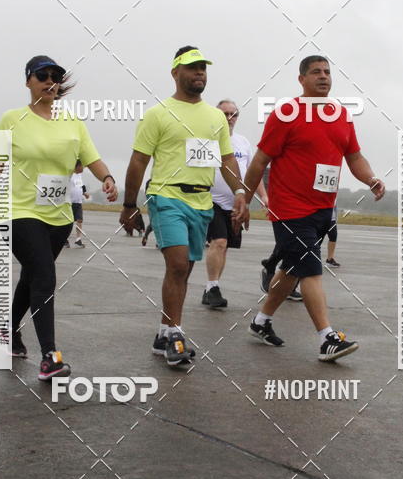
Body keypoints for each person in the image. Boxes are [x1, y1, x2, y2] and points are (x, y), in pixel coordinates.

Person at [0, 55, 117, 380]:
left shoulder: (73, 122)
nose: (50, 81)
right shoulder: (12, 119)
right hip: (19, 211)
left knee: (32, 276)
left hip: (59, 216)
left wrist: (107, 178)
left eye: (55, 76)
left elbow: (91, 157)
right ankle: (49, 356)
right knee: (45, 277)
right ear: (28, 81)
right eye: (43, 75)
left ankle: (7, 329)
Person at [243, 55, 385, 361]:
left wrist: (370, 178)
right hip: (289, 209)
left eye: (327, 72)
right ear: (301, 79)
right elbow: (259, 161)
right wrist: (243, 198)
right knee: (310, 269)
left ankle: (261, 321)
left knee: (292, 270)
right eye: (316, 72)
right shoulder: (285, 114)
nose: (323, 77)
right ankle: (327, 338)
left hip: (323, 208)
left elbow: (354, 157)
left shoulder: (341, 115)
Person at [119, 46, 248, 366]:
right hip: (167, 197)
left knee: (185, 269)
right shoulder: (158, 114)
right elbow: (138, 160)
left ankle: (163, 332)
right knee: (177, 265)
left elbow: (227, 160)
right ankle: (176, 333)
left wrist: (241, 193)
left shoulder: (215, 117)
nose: (199, 73)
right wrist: (129, 204)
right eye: (192, 68)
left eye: (203, 67)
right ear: (175, 72)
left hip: (202, 202)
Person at [202, 99, 267, 309]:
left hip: (235, 204)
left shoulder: (243, 142)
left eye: (234, 114)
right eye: (225, 114)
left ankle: (210, 287)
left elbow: (252, 173)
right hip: (211, 201)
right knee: (218, 242)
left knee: (224, 247)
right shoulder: (206, 139)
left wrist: (264, 197)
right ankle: (213, 288)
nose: (229, 118)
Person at [66, 159, 90, 248]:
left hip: (78, 201)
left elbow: (81, 185)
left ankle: (78, 239)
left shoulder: (79, 175)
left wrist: (85, 193)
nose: (83, 168)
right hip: (69, 202)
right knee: (68, 222)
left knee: (79, 220)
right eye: (82, 166)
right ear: (77, 166)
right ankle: (65, 239)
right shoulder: (70, 173)